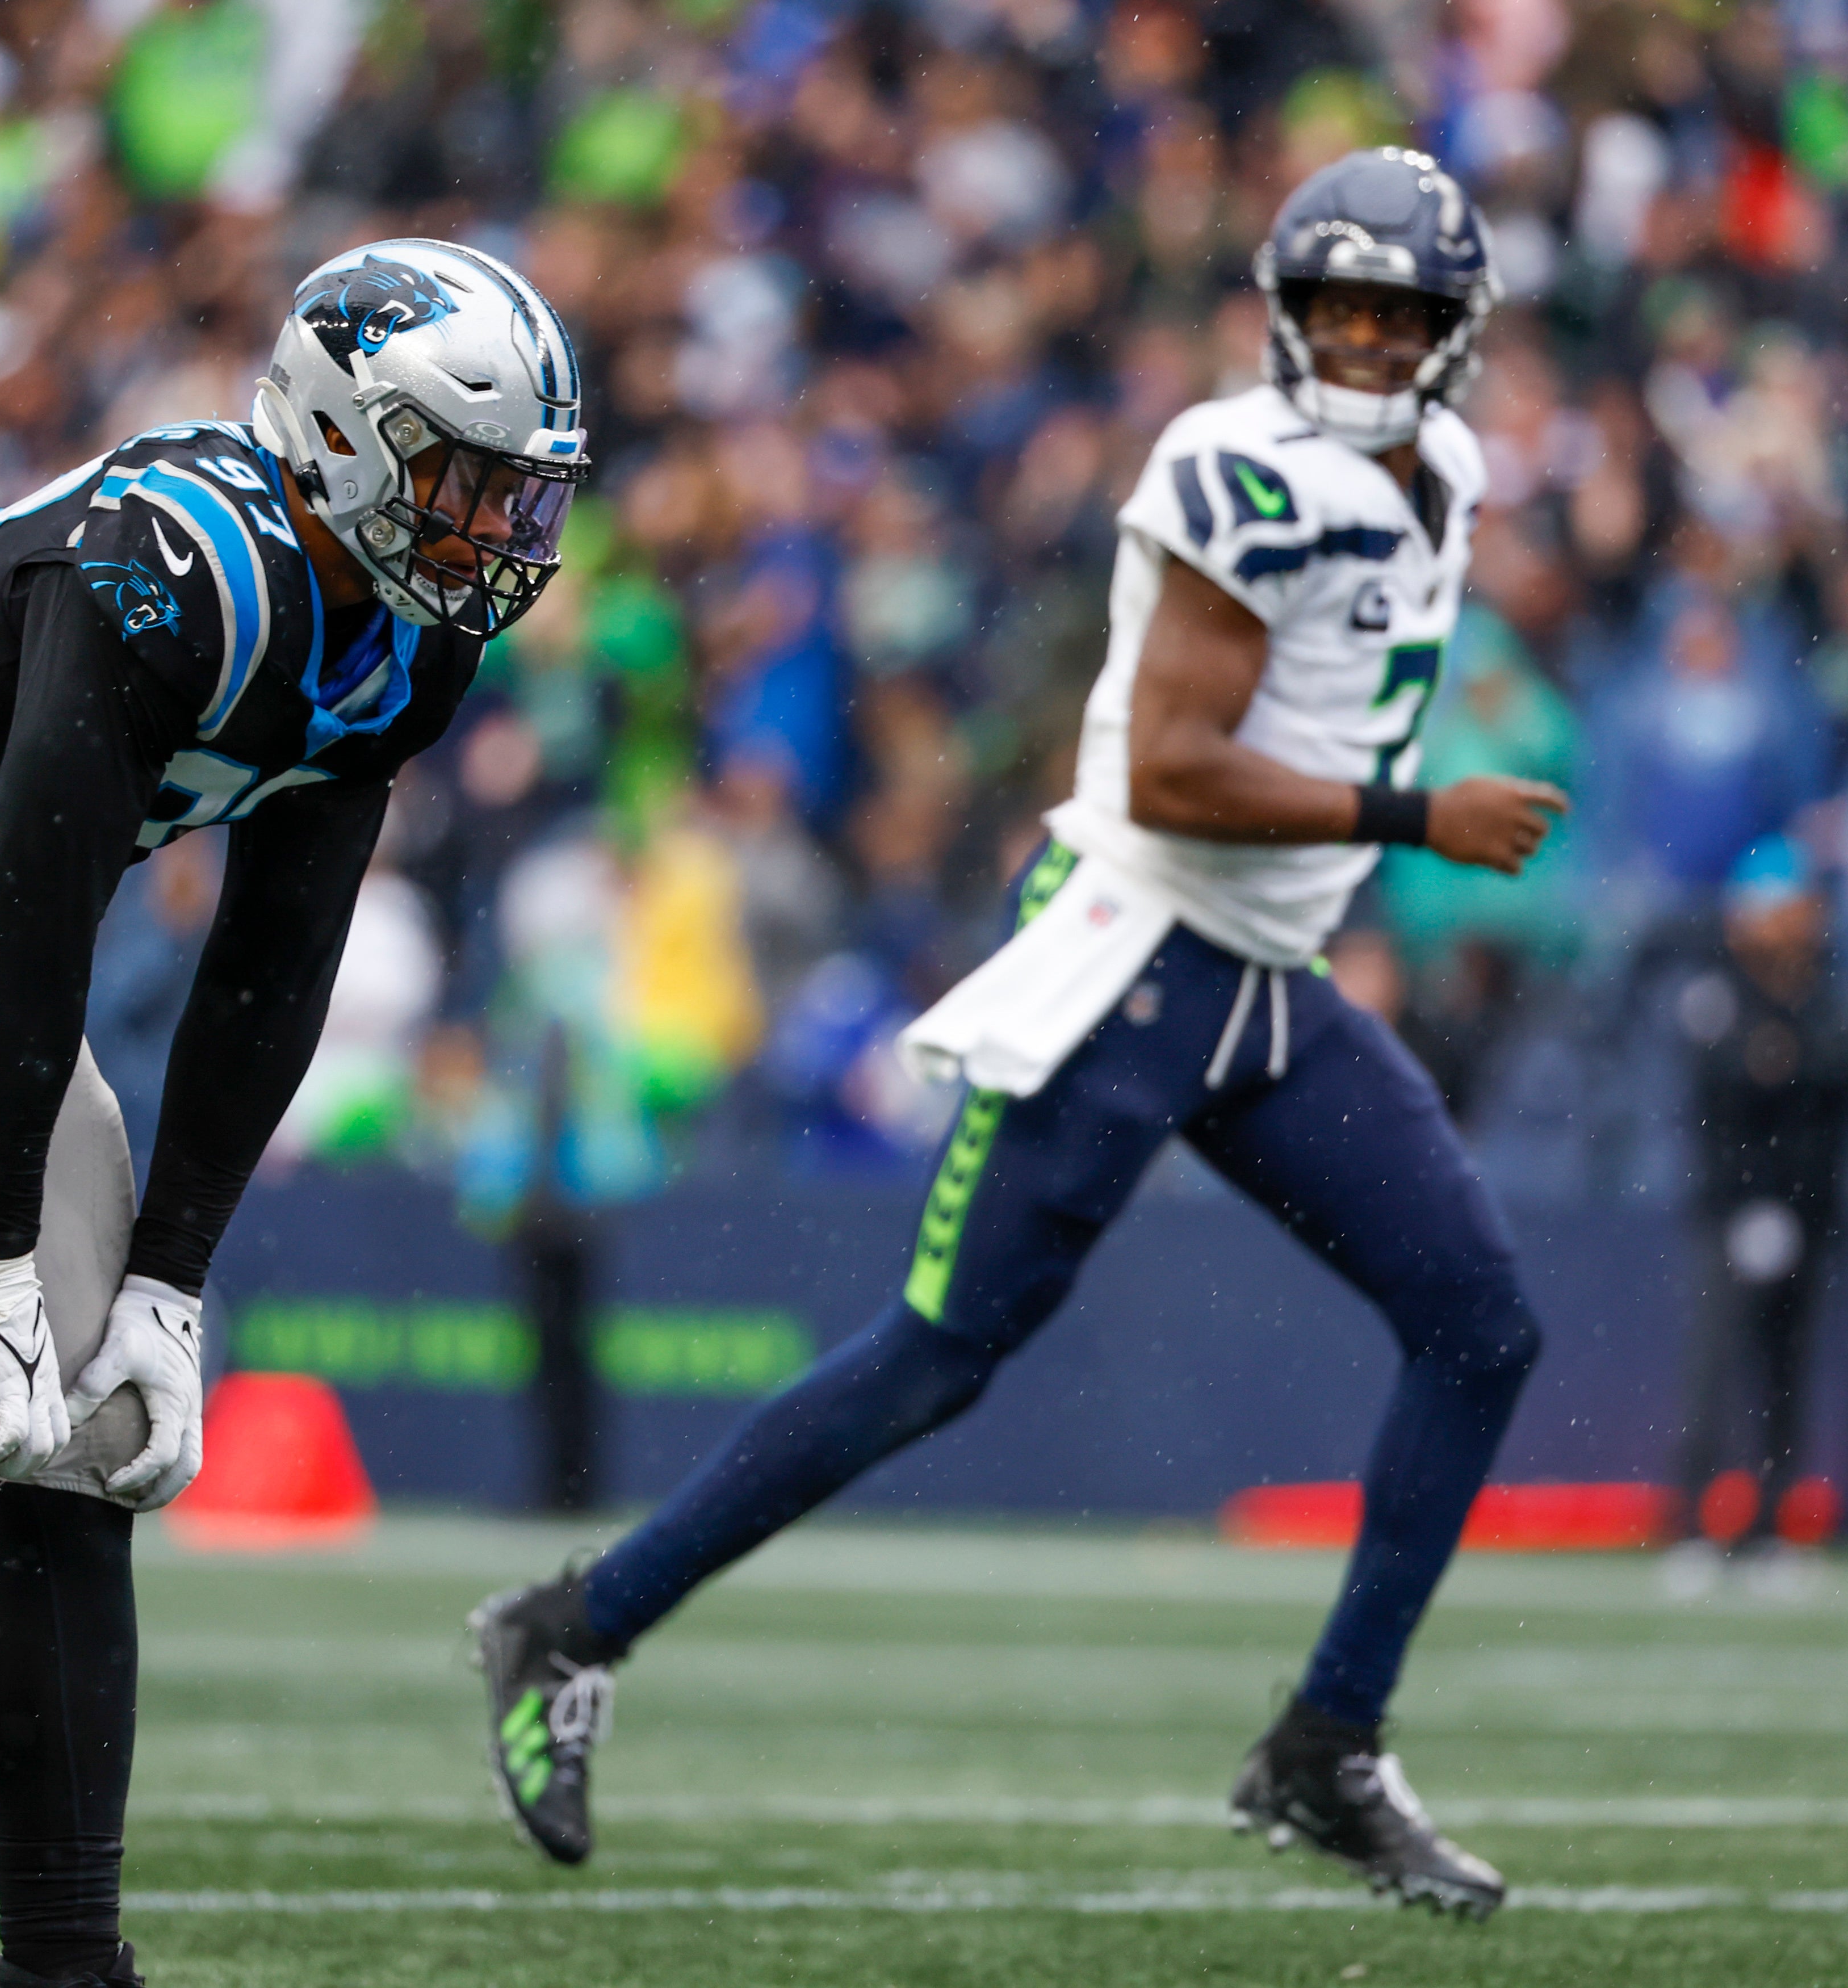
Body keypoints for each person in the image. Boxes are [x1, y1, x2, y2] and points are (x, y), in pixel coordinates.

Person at [473, 150, 1558, 1919]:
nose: (1365, 344)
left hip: (1264, 984)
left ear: (1452, 334)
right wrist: (1413, 815)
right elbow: (1167, 768)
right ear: (1286, 316)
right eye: (1339, 308)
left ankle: (1325, 1742)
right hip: (1131, 950)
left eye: (1400, 315)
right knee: (938, 1352)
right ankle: (568, 1623)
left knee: (1477, 1321)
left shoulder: (1443, 468)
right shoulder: (1233, 471)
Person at [0, 240, 588, 1988]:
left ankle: (69, 1961)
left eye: (516, 491)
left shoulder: (406, 649)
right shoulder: (183, 558)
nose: (493, 530)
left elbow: (265, 969)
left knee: (82, 1457)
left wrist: (168, 1275)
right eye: (462, 477)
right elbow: (33, 897)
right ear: (340, 433)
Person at [1660, 838, 1848, 1599]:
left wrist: (1786, 1060)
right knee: (1714, 1370)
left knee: (1787, 1375)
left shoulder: (1828, 990)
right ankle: (1692, 1524)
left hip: (1808, 1210)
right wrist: (1784, 1064)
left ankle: (1771, 1526)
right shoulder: (1718, 985)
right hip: (1731, 1207)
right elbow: (1721, 1075)